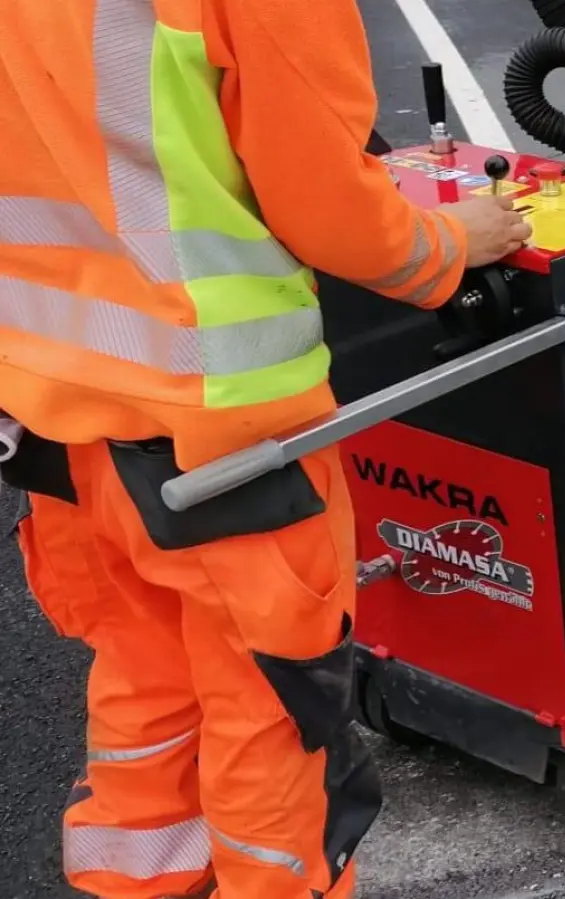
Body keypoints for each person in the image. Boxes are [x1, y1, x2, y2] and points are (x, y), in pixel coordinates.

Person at [0, 1, 531, 897]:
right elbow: (330, 209)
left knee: (146, 689)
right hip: (220, 436)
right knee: (274, 715)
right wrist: (449, 243)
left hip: (55, 411)